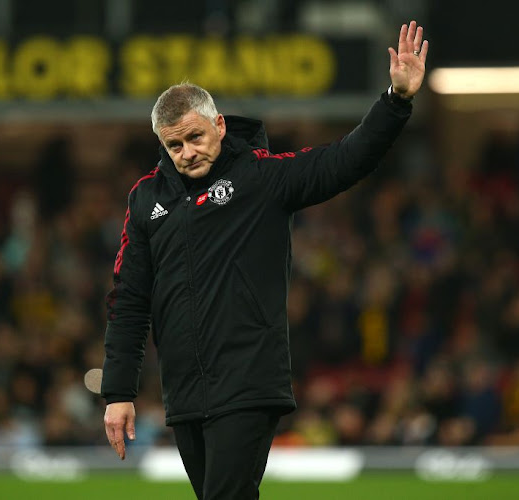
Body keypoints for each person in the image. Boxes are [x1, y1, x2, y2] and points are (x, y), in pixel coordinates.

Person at [101, 20, 429, 499]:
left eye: (194, 137)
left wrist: (395, 101)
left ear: (219, 125)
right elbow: (129, 300)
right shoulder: (146, 200)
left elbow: (343, 161)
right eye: (174, 145)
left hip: (249, 382)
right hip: (185, 390)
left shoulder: (261, 179)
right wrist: (118, 391)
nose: (187, 153)